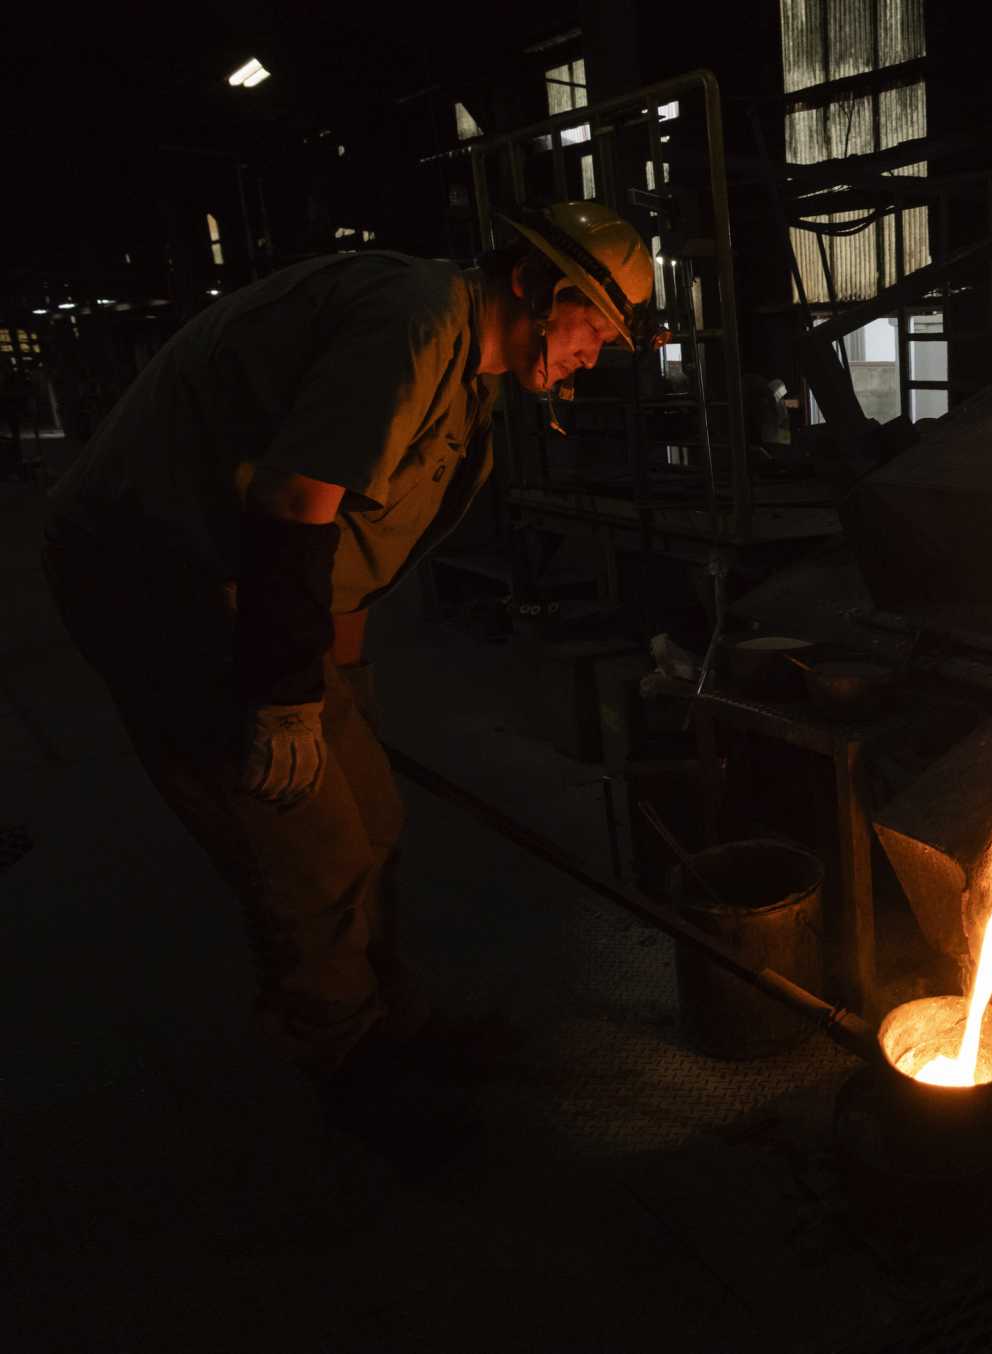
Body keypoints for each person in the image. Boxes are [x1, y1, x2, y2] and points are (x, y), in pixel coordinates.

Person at [43, 201, 656, 1156]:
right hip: (161, 575)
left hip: (264, 585)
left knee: (374, 816)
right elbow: (294, 503)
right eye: (596, 330)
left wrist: (346, 697)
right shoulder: (415, 319)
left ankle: (393, 1029)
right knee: (306, 847)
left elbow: (360, 549)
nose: (595, 356)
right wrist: (288, 705)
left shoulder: (471, 398)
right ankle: (350, 1072)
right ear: (536, 287)